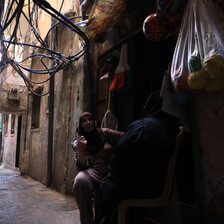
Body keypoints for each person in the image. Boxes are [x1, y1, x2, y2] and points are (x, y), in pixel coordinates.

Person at [94, 91, 181, 224]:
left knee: (104, 190)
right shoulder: (172, 129)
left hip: (138, 187)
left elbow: (118, 160)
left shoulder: (141, 126)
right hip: (160, 186)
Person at [72, 112, 124, 224]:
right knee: (80, 181)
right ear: (81, 125)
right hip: (93, 172)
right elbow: (82, 167)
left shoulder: (104, 133)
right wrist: (81, 150)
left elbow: (126, 138)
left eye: (90, 119)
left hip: (111, 171)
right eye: (84, 121)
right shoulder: (79, 142)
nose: (88, 123)